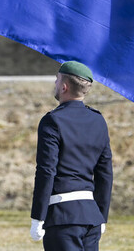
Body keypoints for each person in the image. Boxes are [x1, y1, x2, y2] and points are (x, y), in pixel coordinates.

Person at [30, 60, 113, 250]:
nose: (55, 84)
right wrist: (101, 215)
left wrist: (38, 216)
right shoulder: (98, 120)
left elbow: (46, 170)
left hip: (63, 219)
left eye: (57, 80)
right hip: (91, 217)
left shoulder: (52, 121)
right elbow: (105, 172)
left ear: (65, 86)